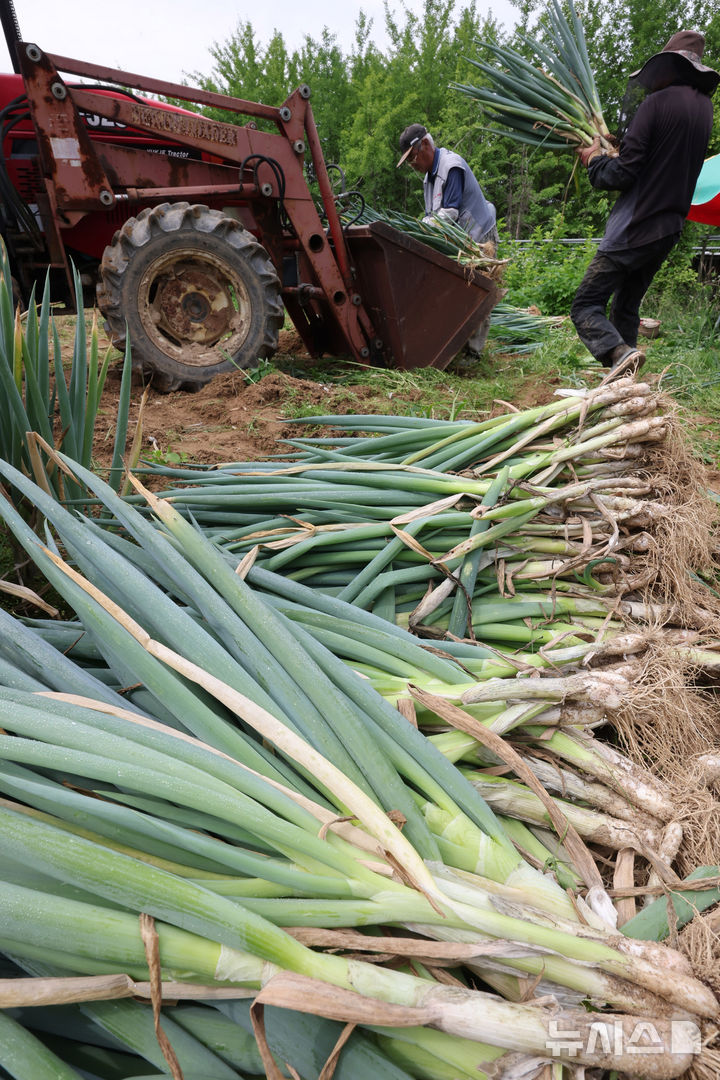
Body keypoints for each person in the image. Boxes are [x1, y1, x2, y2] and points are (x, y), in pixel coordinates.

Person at [571, 31, 719, 375]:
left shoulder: (656, 103)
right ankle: (627, 381)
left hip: (636, 226)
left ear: (670, 67)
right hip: (668, 229)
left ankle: (618, 353)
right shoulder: (703, 109)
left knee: (586, 305)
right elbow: (657, 158)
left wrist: (595, 160)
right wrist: (619, 145)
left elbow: (624, 174)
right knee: (626, 306)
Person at [397, 124, 498, 356]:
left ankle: (473, 353)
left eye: (413, 158)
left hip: (479, 235)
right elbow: (433, 213)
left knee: (477, 289)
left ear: (425, 145)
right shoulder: (428, 177)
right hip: (460, 236)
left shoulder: (451, 165)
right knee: (457, 289)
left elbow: (449, 212)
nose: (413, 166)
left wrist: (419, 228)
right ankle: (456, 344)